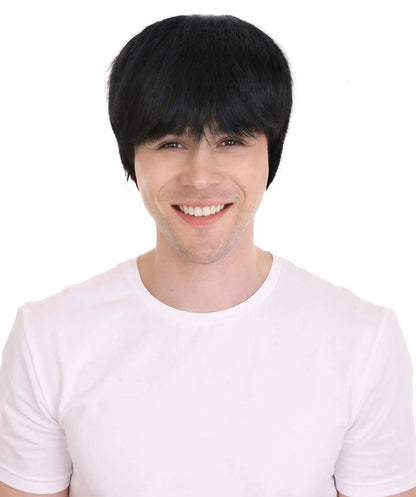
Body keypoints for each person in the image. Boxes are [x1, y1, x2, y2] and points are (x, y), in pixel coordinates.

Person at [0, 14, 415, 497]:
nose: (200, 176)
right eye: (171, 142)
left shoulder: (362, 341)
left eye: (231, 141)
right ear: (132, 157)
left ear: (271, 155)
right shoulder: (47, 338)